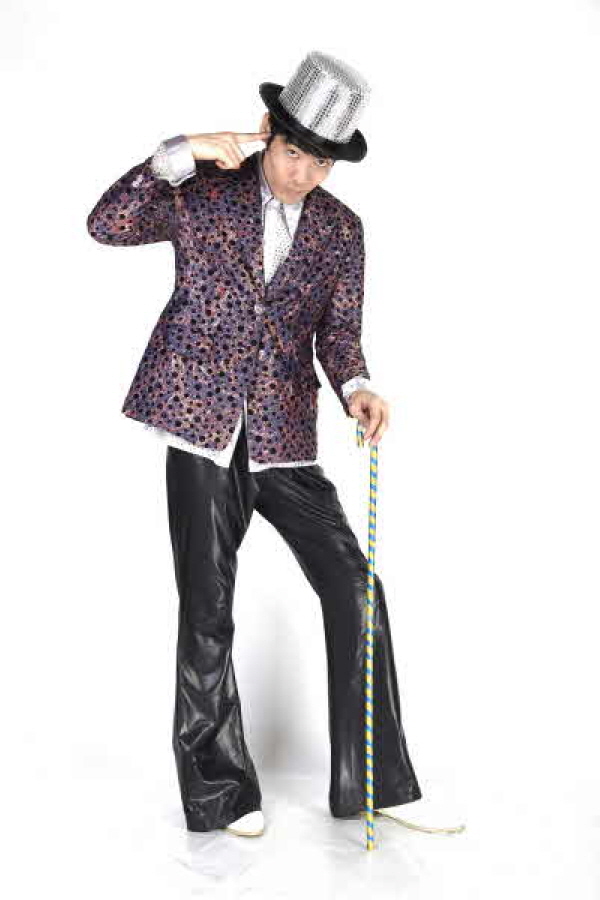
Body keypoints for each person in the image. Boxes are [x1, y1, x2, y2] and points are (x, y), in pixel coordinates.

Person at [87, 51, 456, 839]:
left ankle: (376, 783)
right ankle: (221, 794)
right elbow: (106, 224)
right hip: (200, 424)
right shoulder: (203, 191)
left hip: (284, 437)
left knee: (356, 589)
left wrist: (357, 386)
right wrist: (180, 151)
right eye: (293, 154)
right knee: (207, 609)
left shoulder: (341, 230)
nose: (303, 174)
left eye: (321, 163)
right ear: (266, 132)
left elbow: (339, 334)